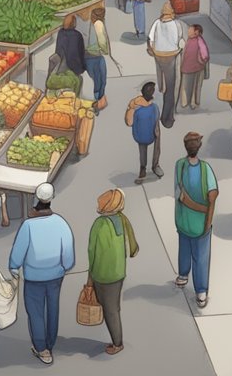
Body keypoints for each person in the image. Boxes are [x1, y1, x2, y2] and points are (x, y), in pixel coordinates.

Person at [9, 183, 74, 365]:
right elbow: (68, 253)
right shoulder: (61, 223)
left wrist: (14, 267)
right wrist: (65, 266)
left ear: (36, 200)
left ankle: (42, 348)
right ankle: (50, 343)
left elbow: (18, 251)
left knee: (36, 313)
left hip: (33, 278)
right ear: (51, 199)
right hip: (56, 276)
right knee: (53, 309)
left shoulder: (28, 226)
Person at [88, 189, 138, 356]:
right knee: (113, 307)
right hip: (118, 272)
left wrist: (90, 277)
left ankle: (117, 343)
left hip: (103, 274)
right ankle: (117, 340)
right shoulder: (121, 219)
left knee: (110, 309)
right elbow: (129, 240)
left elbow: (92, 251)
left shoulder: (99, 224)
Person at [174, 131, 218, 309]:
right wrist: (207, 213)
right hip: (200, 222)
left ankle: (183, 276)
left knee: (184, 248)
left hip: (184, 219)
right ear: (198, 147)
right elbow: (213, 194)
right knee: (200, 256)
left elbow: (179, 194)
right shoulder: (205, 168)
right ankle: (201, 291)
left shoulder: (179, 165)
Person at [147, 1, 186, 129]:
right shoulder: (176, 24)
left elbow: (150, 39)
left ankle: (161, 85)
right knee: (171, 87)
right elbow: (180, 41)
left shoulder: (157, 23)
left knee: (163, 82)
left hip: (158, 56)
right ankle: (167, 118)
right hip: (171, 56)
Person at [125, 82, 162, 184]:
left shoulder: (139, 106)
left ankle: (148, 167)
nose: (152, 92)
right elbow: (129, 122)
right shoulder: (141, 107)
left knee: (146, 151)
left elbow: (129, 122)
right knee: (148, 150)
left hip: (145, 134)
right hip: (147, 134)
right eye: (151, 90)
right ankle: (150, 167)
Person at [85, 7, 116, 111]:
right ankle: (99, 102)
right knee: (101, 80)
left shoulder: (91, 23)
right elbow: (102, 43)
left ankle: (97, 100)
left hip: (88, 56)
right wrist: (106, 52)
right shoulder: (99, 24)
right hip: (96, 56)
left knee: (95, 79)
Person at [53, 15, 87, 97]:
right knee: (79, 80)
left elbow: (58, 50)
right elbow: (81, 53)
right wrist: (83, 67)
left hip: (60, 67)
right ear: (74, 23)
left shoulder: (60, 33)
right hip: (74, 68)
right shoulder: (78, 35)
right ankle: (76, 97)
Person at [180, 24, 210, 110]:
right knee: (194, 86)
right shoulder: (191, 40)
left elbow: (204, 55)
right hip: (194, 67)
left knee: (187, 85)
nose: (188, 31)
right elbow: (205, 55)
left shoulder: (198, 40)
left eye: (190, 30)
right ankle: (191, 102)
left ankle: (187, 102)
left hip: (194, 67)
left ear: (196, 32)